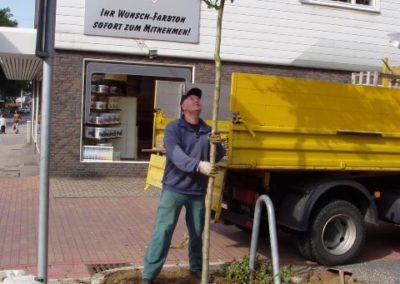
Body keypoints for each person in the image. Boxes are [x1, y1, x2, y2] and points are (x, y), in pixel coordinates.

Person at [141, 87, 225, 284]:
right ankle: (148, 275)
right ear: (183, 107)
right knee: (163, 231)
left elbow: (217, 156)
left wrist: (218, 145)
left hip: (197, 192)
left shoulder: (207, 130)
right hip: (174, 189)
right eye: (192, 98)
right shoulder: (173, 129)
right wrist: (198, 165)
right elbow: (176, 155)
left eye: (198, 99)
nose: (197, 100)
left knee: (197, 234)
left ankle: (196, 269)